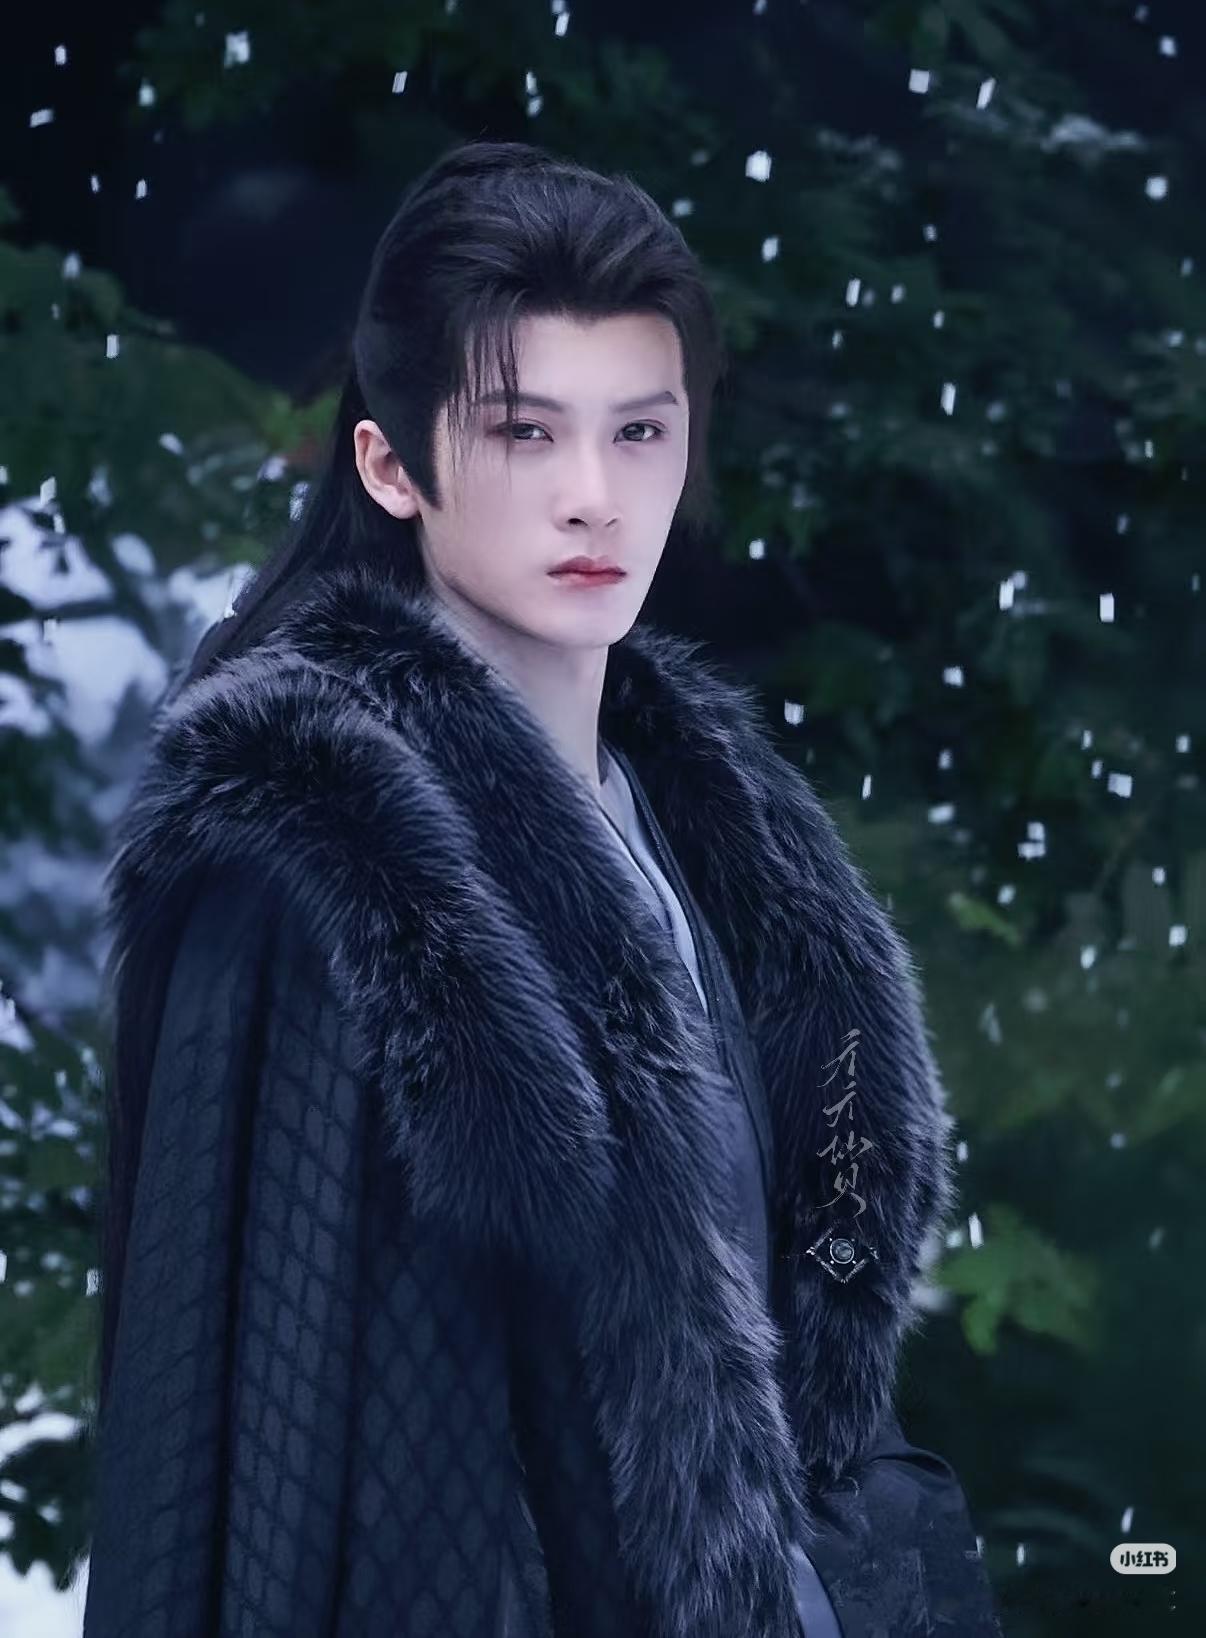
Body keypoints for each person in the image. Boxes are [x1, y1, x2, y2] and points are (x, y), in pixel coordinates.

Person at [81, 138, 1005, 1637]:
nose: (593, 497)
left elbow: (797, 1376)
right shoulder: (321, 855)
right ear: (391, 463)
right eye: (522, 432)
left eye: (639, 431)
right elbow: (309, 1466)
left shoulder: (716, 834)